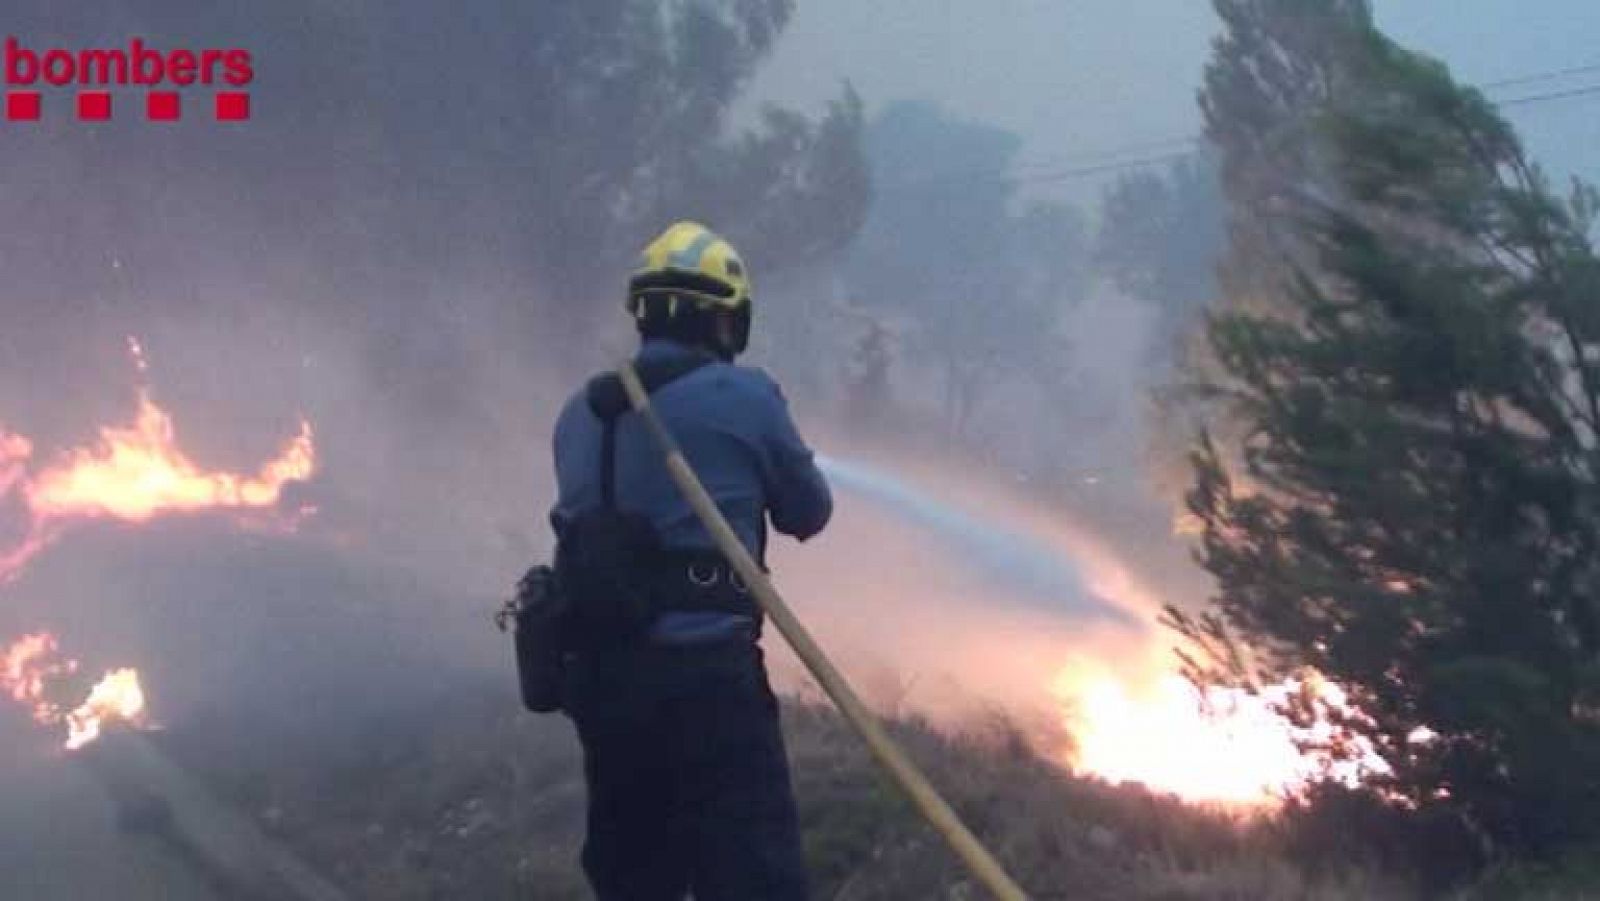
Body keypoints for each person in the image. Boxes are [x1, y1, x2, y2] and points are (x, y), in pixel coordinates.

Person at [549, 221, 832, 900]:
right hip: (708, 683)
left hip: (605, 686)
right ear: (724, 319)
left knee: (633, 876)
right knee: (754, 874)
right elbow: (808, 513)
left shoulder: (579, 413)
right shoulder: (745, 397)